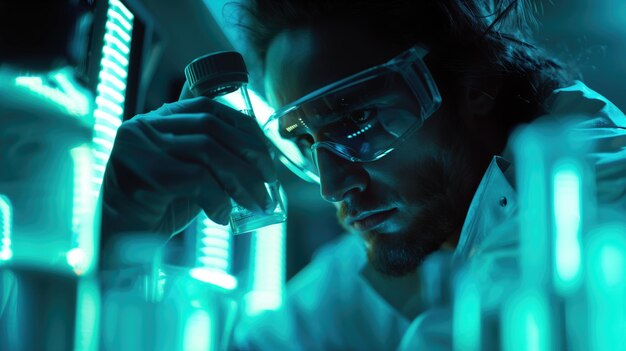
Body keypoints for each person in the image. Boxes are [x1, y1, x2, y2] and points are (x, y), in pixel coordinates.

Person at [100, 0, 626, 349]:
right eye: (306, 142)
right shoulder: (412, 237)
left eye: (356, 120)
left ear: (477, 81)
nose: (333, 185)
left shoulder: (599, 173)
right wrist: (117, 243)